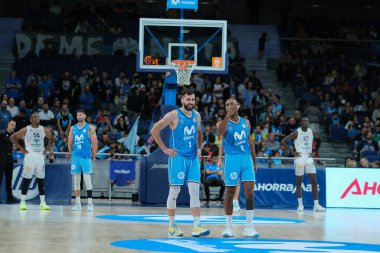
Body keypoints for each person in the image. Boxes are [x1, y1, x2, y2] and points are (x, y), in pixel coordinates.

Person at [151, 88, 210, 237]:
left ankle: (197, 226)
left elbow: (199, 132)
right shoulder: (173, 115)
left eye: (192, 99)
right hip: (178, 158)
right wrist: (164, 148)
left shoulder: (197, 115)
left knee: (195, 192)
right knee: (174, 191)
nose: (190, 102)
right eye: (188, 99)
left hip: (193, 159)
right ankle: (172, 226)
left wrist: (199, 148)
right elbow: (154, 131)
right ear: (182, 100)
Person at [217, 98, 259, 238]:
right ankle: (228, 227)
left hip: (246, 158)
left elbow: (250, 142)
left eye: (232, 104)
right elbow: (220, 133)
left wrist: (255, 161)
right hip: (232, 159)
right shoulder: (222, 123)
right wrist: (228, 114)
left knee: (249, 192)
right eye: (227, 104)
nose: (229, 106)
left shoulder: (246, 122)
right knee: (230, 192)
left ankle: (249, 226)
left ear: (238, 106)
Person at [10, 113, 53, 210]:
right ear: (31, 119)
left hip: (40, 156)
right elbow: (12, 137)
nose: (37, 118)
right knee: (26, 179)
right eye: (35, 117)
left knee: (40, 179)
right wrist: (21, 149)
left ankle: (42, 203)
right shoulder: (26, 129)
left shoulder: (44, 129)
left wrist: (46, 149)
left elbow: (52, 139)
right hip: (29, 156)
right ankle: (22, 202)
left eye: (38, 117)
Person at [281, 117, 325, 212]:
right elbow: (283, 141)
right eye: (304, 121)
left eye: (308, 121)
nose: (306, 122)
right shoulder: (297, 132)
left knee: (314, 181)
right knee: (299, 182)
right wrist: (292, 152)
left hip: (309, 158)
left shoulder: (311, 131)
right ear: (301, 123)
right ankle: (300, 205)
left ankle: (316, 205)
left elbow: (319, 140)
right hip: (299, 159)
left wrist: (314, 151)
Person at [68, 109, 98, 212]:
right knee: (76, 181)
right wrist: (72, 154)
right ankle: (78, 203)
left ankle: (90, 203)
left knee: (87, 179)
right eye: (78, 115)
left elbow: (94, 144)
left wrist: (93, 155)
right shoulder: (73, 128)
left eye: (81, 114)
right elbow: (69, 143)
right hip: (76, 157)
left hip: (85, 156)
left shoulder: (90, 128)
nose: (79, 116)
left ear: (85, 116)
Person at [0, 120, 18, 203]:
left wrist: (15, 148)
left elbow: (14, 147)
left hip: (9, 157)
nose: (13, 126)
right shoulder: (2, 133)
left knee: (9, 178)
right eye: (12, 124)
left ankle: (9, 198)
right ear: (8, 125)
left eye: (14, 125)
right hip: (2, 157)